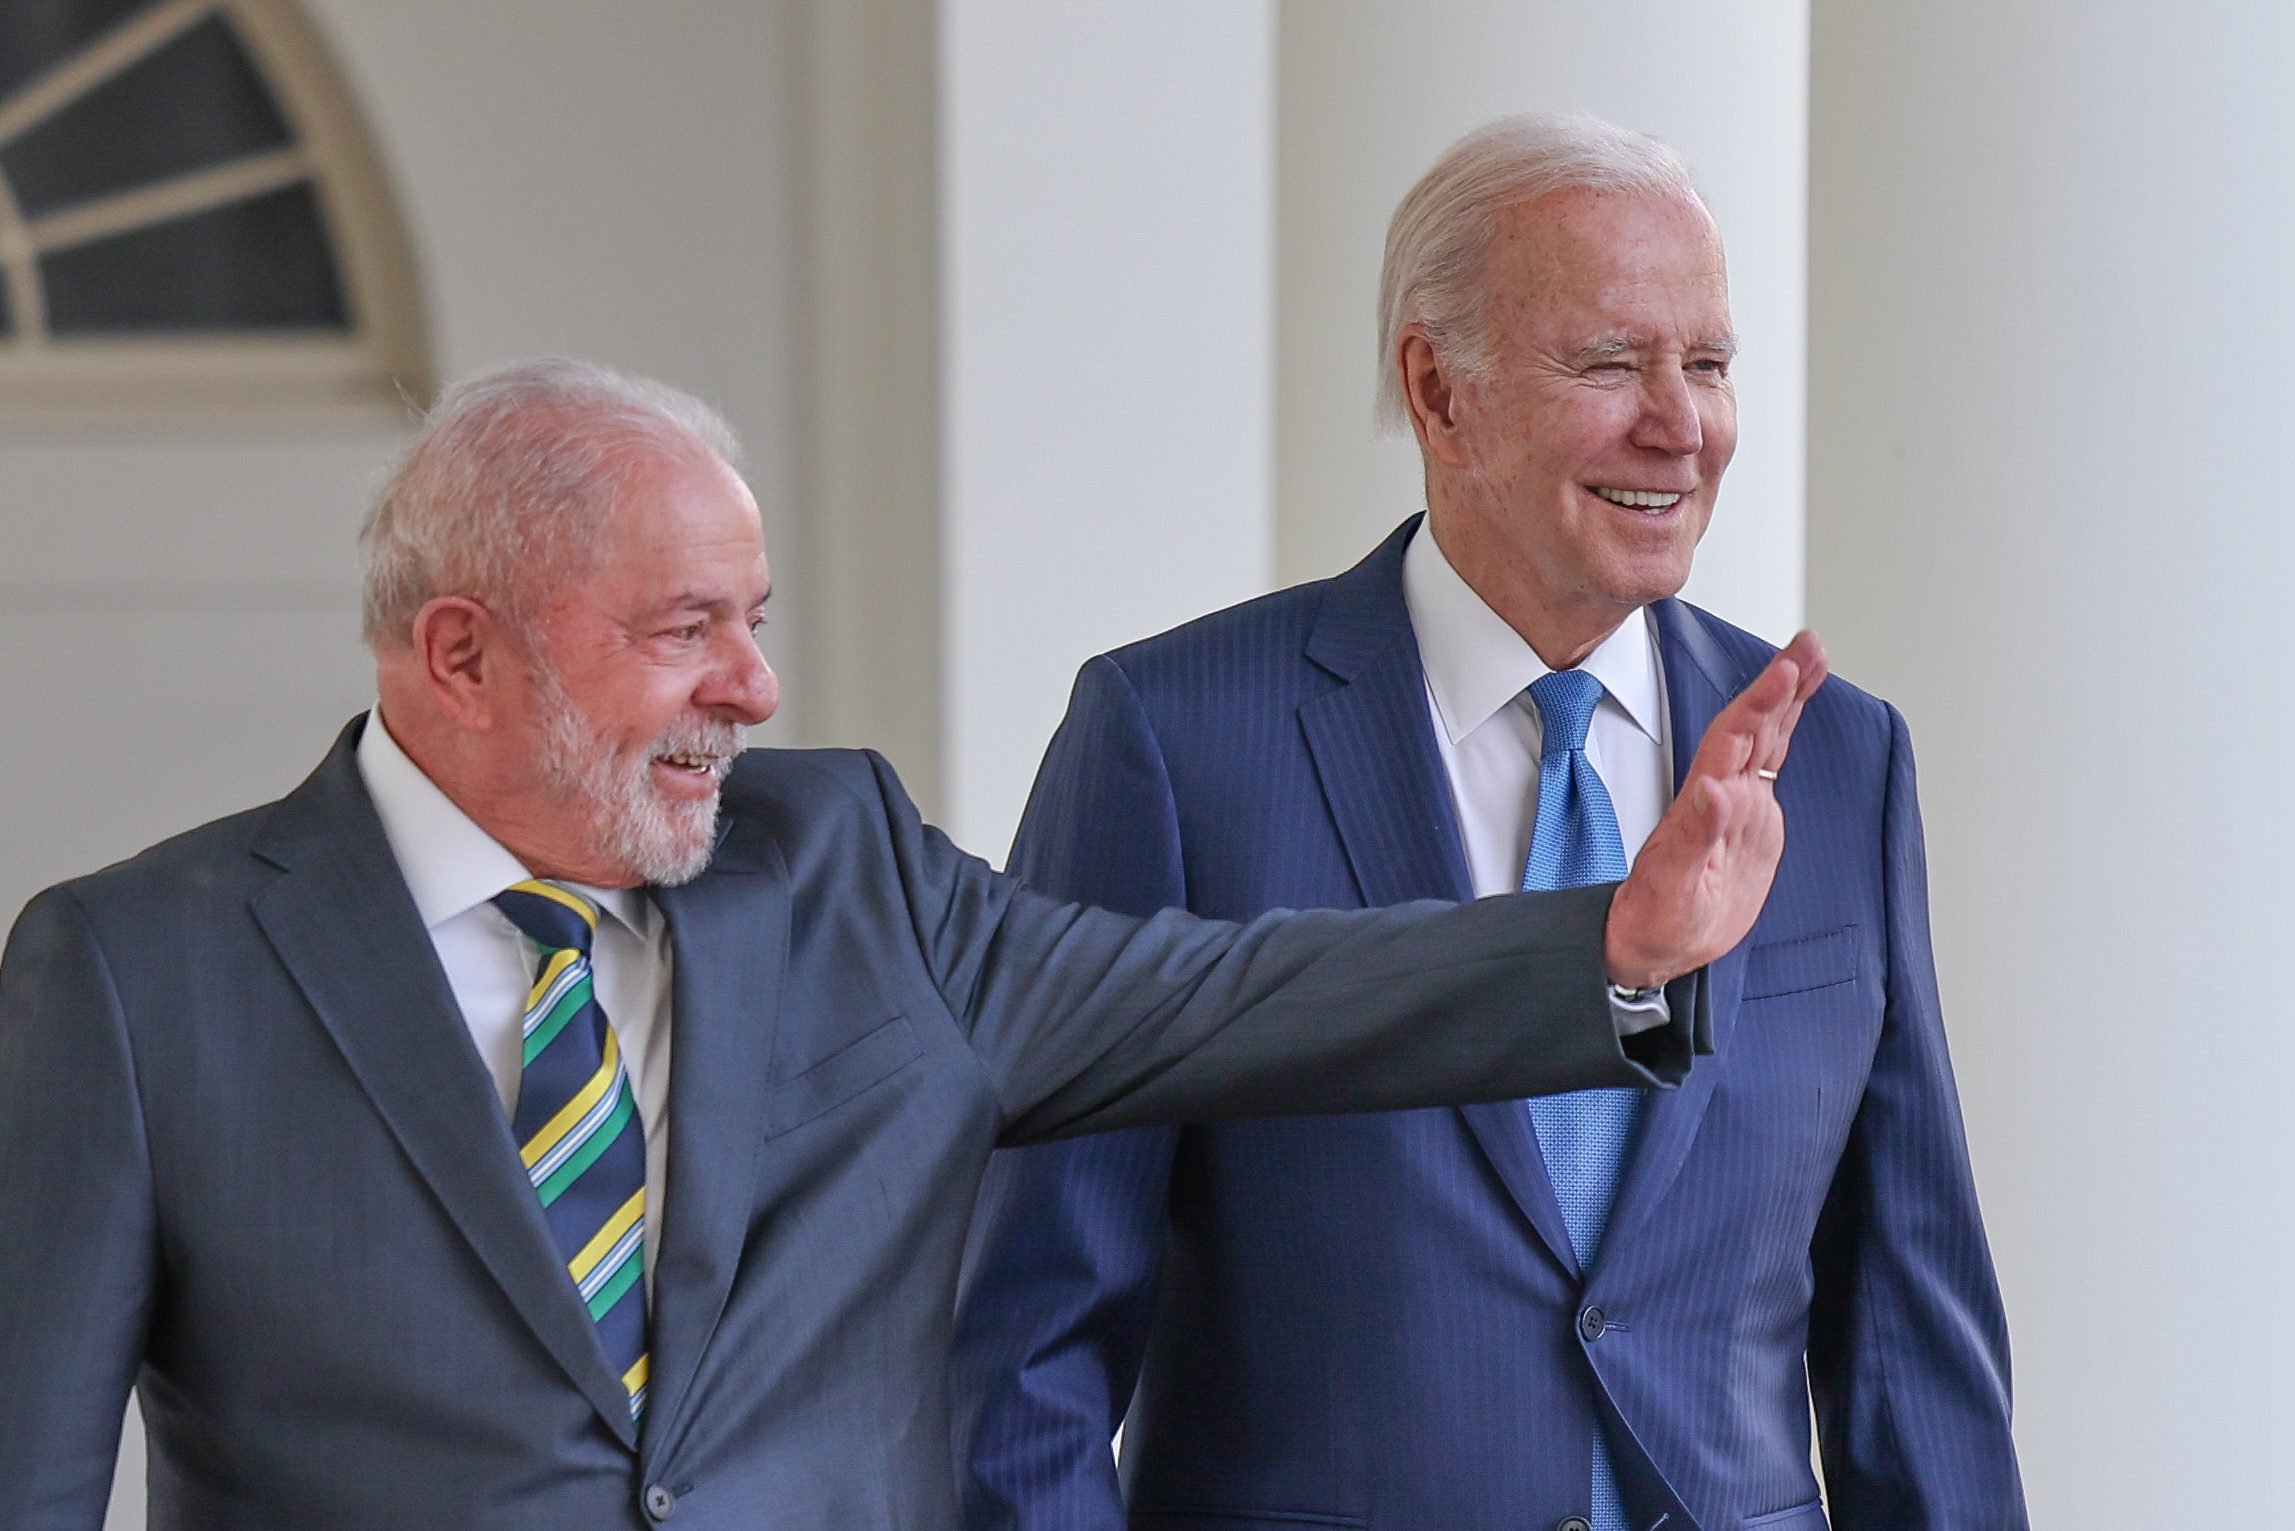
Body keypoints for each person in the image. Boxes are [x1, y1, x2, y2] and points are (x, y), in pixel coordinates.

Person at [0, 358, 1821, 1531]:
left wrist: (1615, 945)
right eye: (684, 630)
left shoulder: (840, 861)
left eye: (758, 619)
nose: (755, 686)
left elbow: (1233, 997)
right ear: (459, 657)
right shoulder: (135, 979)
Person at [954, 114, 2023, 1531]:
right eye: (1609, 361)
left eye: (1707, 364)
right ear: (1438, 389)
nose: (1680, 423)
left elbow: (1913, 1346)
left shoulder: (1840, 759)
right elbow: (1024, 1358)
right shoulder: (1175, 744)